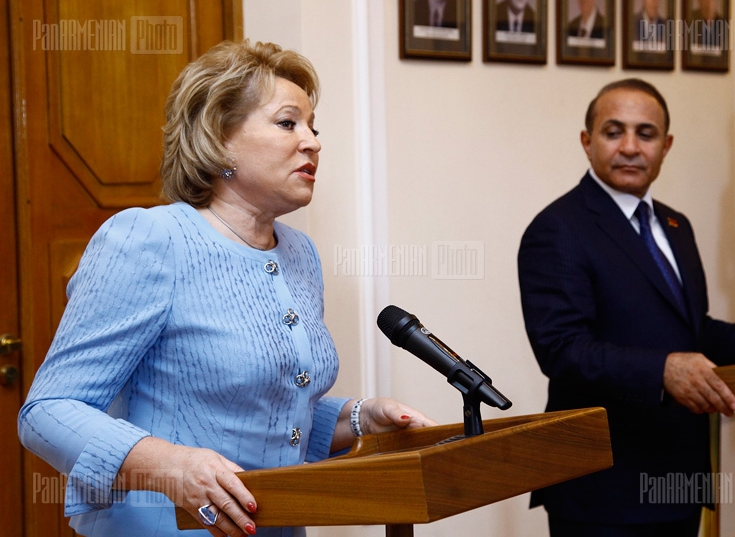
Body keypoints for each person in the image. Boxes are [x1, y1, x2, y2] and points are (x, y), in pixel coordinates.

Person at [18, 39, 436, 537]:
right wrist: (172, 467)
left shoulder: (299, 253)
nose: (313, 142)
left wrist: (363, 418)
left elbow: (267, 415)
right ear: (218, 138)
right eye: (288, 123)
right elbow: (48, 412)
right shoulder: (150, 239)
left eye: (313, 126)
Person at [517, 78, 735, 536]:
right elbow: (562, 351)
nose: (629, 147)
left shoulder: (676, 225)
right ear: (587, 141)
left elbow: (691, 330)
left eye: (645, 133)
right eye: (612, 131)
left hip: (677, 475)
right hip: (603, 485)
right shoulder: (557, 229)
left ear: (666, 145)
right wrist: (662, 369)